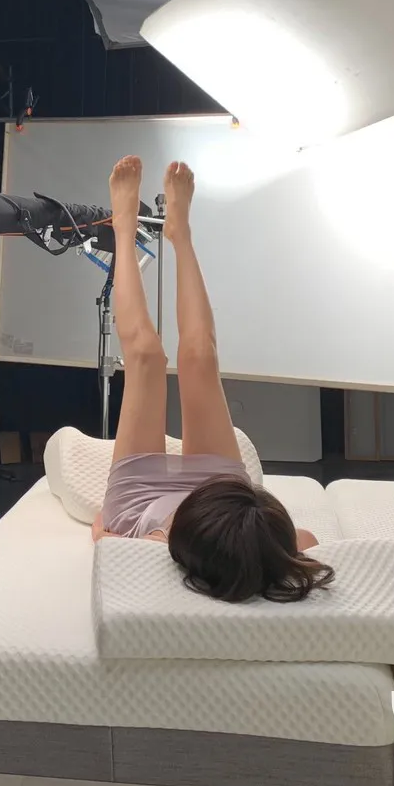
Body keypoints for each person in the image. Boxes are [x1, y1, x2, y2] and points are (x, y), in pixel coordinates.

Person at [92, 157, 334, 604]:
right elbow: (309, 540)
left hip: (145, 504)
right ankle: (180, 233)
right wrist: (271, 534)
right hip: (227, 503)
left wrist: (107, 528)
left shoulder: (157, 545)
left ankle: (124, 228)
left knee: (145, 357)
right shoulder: (268, 541)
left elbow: (101, 536)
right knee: (200, 357)